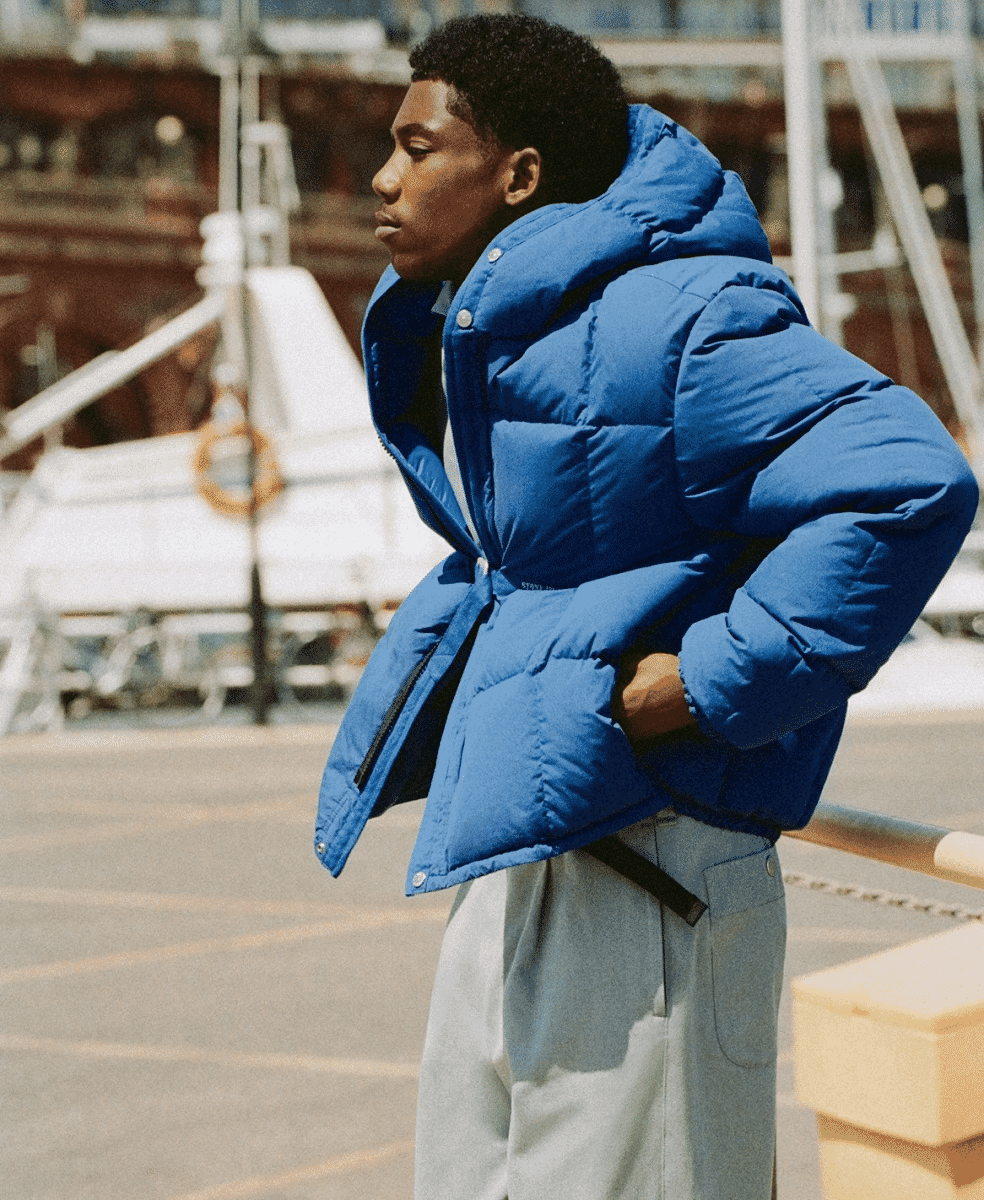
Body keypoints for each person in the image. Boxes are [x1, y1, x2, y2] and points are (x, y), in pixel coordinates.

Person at [313, 14, 978, 1199]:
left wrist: (703, 685)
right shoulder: (499, 321)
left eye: (418, 148)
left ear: (518, 175)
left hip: (654, 859)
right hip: (523, 829)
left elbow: (907, 482)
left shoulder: (685, 312)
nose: (383, 176)